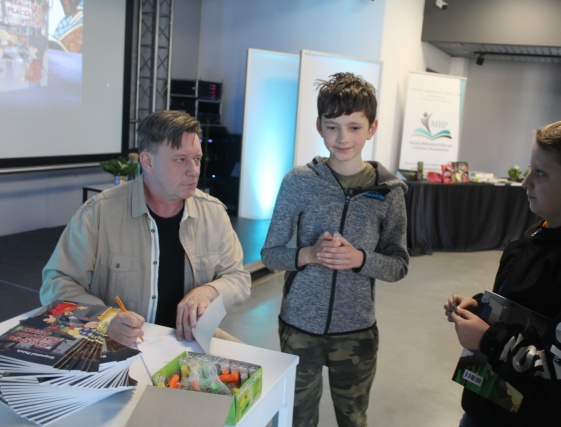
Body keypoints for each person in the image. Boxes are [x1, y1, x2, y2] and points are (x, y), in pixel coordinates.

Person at [444, 117, 561, 427]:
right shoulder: (533, 238)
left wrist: (488, 340)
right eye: (530, 168)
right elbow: (523, 307)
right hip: (488, 408)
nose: (525, 181)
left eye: (541, 173)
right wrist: (481, 307)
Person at [261, 72, 410, 427]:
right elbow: (270, 254)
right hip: (299, 325)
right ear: (319, 126)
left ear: (372, 128)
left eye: (354, 127)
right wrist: (308, 255)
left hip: (356, 330)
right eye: (332, 127)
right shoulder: (298, 182)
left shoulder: (389, 191)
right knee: (297, 418)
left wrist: (360, 259)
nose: (343, 138)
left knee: (353, 418)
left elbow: (399, 265)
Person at [40, 110, 251, 346]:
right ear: (148, 162)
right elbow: (56, 283)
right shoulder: (99, 213)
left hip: (190, 341)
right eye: (180, 159)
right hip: (119, 345)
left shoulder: (213, 213)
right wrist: (104, 319)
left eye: (197, 159)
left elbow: (238, 278)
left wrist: (211, 290)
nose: (193, 170)